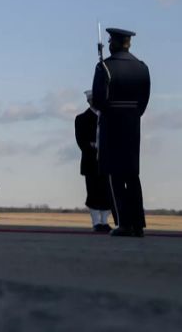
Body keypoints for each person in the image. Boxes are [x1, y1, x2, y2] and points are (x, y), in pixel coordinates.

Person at [91, 27, 150, 238]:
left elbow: (98, 100)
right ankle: (138, 224)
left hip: (112, 123)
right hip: (133, 124)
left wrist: (109, 111)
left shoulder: (104, 67)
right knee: (132, 176)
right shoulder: (142, 68)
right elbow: (143, 102)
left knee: (115, 176)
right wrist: (132, 115)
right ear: (129, 43)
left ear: (114, 43)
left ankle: (124, 223)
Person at [75, 90, 116, 232]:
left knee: (107, 193)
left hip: (107, 161)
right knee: (93, 193)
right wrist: (96, 146)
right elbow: (82, 142)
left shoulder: (109, 118)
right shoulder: (81, 119)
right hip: (91, 162)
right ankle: (96, 222)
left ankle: (104, 222)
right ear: (89, 101)